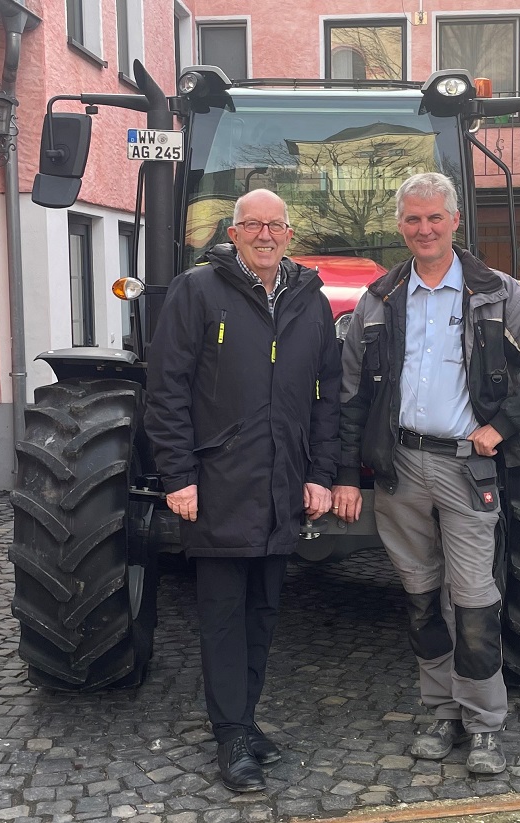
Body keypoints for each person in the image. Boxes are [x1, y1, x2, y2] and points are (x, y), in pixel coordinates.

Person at [331, 172, 520, 775]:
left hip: (468, 468)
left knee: (472, 601)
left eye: (434, 218)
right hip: (400, 468)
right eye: (413, 220)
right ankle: (440, 711)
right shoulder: (378, 302)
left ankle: (485, 724)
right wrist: (344, 472)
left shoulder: (500, 295)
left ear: (455, 222)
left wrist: (500, 428)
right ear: (401, 226)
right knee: (420, 599)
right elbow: (349, 399)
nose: (424, 229)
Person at [145, 189, 341, 793]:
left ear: (289, 234)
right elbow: (167, 390)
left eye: (274, 225)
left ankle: (245, 719)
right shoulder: (196, 291)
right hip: (219, 485)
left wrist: (321, 473)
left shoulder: (311, 303)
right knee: (223, 616)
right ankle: (231, 733)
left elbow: (326, 397)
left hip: (283, 486)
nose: (264, 234)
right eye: (251, 225)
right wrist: (177, 476)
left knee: (263, 611)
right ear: (233, 234)